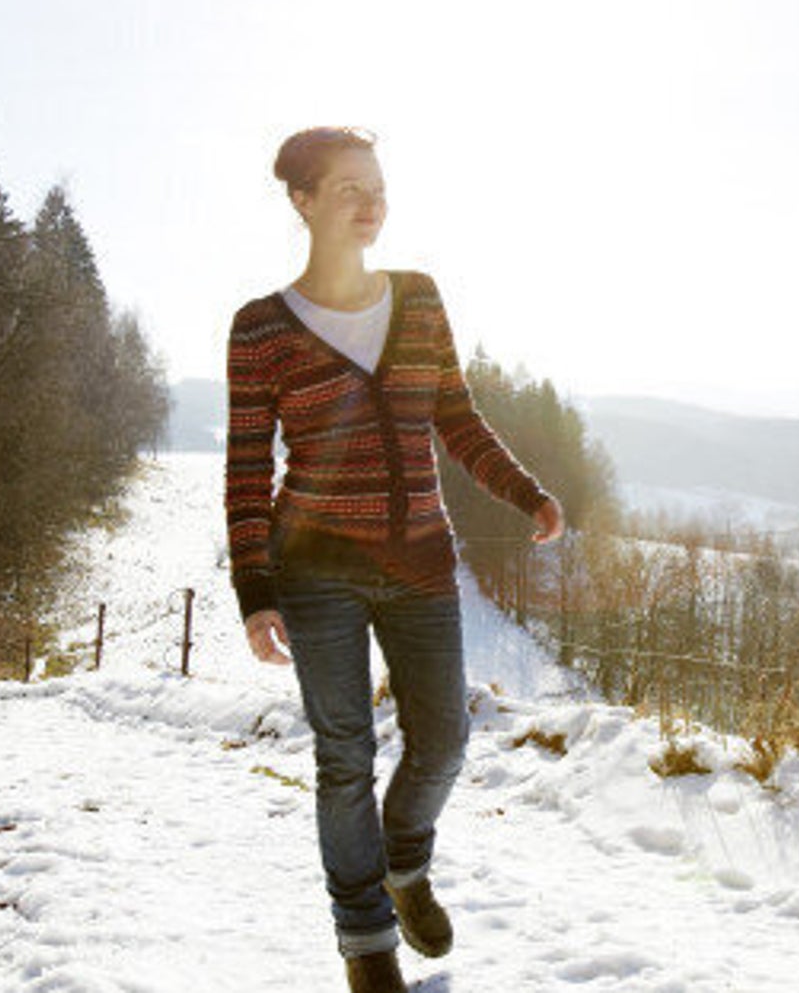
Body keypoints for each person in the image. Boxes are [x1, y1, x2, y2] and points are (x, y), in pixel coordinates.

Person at [224, 126, 564, 993]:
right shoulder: (260, 329)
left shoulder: (418, 298)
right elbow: (245, 471)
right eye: (347, 188)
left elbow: (455, 415)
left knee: (444, 742)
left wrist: (527, 492)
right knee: (344, 755)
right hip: (316, 569)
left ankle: (403, 863)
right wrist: (255, 591)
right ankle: (366, 943)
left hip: (419, 561)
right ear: (302, 201)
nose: (370, 203)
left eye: (377, 186)